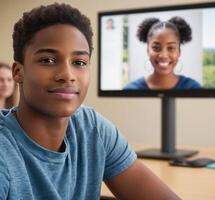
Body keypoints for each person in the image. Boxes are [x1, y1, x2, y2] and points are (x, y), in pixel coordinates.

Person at [0, 3, 181, 200]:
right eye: (48, 60)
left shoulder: (91, 128)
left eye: (79, 63)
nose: (67, 75)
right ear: (18, 72)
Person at [124, 17, 201, 90]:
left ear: (179, 52)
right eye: (156, 48)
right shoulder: (131, 89)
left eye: (171, 48)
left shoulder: (193, 88)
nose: (163, 55)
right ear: (148, 50)